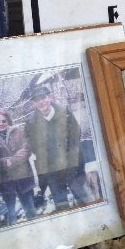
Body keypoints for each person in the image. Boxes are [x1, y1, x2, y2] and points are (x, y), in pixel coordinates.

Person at [24, 85, 89, 213]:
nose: (41, 102)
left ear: (50, 97)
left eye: (43, 98)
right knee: (61, 205)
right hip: (52, 171)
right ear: (33, 103)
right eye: (37, 100)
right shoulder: (30, 123)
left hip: (72, 166)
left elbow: (76, 133)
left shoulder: (65, 112)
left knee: (82, 199)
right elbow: (32, 146)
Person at [0, 109, 37, 226]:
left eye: (4, 121)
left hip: (23, 178)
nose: (1, 124)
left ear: (8, 121)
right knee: (10, 215)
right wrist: (4, 162)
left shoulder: (19, 133)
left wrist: (12, 161)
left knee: (31, 211)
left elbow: (26, 150)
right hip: (4, 182)